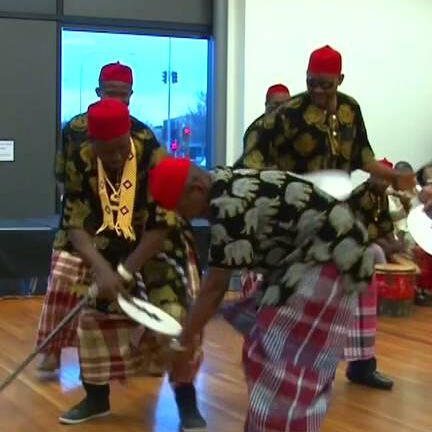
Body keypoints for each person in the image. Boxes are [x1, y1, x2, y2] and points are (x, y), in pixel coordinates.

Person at [234, 45, 416, 390]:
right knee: (302, 291)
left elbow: (364, 157)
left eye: (325, 84)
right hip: (295, 218)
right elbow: (253, 150)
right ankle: (295, 368)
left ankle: (361, 363)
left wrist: (394, 177)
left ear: (340, 80)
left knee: (361, 269)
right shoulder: (289, 115)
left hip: (337, 215)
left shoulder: (350, 110)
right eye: (311, 82)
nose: (317, 90)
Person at [149, 157, 376, 432]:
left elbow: (214, 288)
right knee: (262, 346)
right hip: (308, 259)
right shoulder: (223, 183)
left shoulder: (226, 205)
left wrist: (182, 342)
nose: (184, 217)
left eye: (182, 209)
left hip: (331, 257)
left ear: (197, 189)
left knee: (285, 360)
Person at [53, 99, 206, 431]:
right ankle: (96, 398)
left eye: (121, 148)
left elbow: (162, 225)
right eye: (107, 151)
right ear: (92, 143)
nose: (116, 157)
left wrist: (124, 272)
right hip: (106, 243)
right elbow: (74, 223)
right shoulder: (80, 157)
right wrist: (102, 269)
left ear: (129, 137)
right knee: (93, 317)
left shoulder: (153, 153)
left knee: (175, 319)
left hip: (159, 243)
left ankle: (187, 402)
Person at [36, 62, 159, 373]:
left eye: (123, 95)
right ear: (97, 92)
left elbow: (157, 205)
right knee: (64, 271)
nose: (116, 100)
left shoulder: (145, 137)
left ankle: (148, 348)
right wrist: (97, 259)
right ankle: (52, 348)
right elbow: (66, 185)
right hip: (85, 220)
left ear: (131, 95)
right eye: (109, 93)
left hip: (132, 225)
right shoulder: (75, 132)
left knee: (157, 276)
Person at [241, 84, 290, 295]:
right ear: (266, 105)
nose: (280, 110)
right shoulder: (257, 131)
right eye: (275, 105)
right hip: (261, 206)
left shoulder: (293, 130)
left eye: (285, 106)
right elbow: (253, 172)